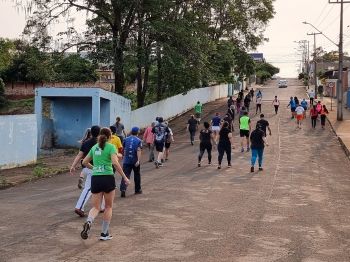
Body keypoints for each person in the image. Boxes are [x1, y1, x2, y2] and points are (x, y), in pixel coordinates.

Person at [80, 128, 130, 241]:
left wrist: (95, 168)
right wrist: (125, 177)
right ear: (110, 136)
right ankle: (104, 234)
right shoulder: (111, 147)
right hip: (107, 178)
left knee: (96, 207)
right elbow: (115, 163)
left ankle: (89, 221)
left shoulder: (94, 147)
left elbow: (84, 162)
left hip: (96, 178)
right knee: (108, 207)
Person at [70, 126, 105, 217]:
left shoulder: (85, 143)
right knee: (89, 188)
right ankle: (79, 207)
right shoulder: (101, 143)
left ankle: (102, 206)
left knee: (103, 187)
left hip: (88, 167)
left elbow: (79, 155)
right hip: (97, 168)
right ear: (100, 133)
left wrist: (73, 166)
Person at [120, 127, 142, 198]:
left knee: (125, 175)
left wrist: (123, 156)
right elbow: (138, 150)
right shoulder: (138, 140)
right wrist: (138, 160)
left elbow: (124, 148)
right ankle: (137, 189)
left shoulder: (126, 139)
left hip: (126, 161)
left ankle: (123, 189)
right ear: (137, 132)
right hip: (135, 161)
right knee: (137, 175)